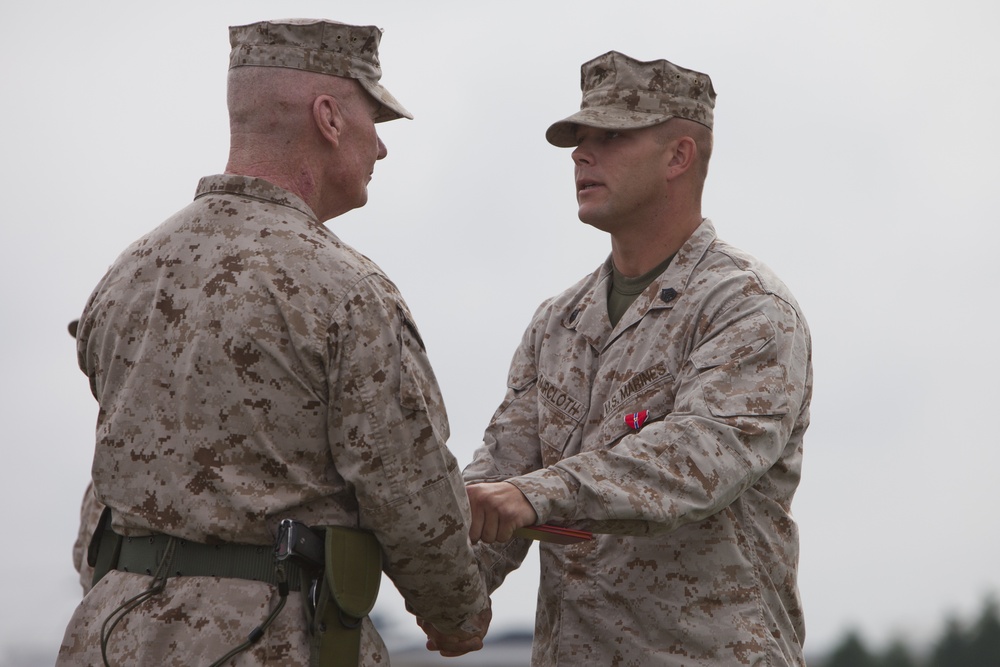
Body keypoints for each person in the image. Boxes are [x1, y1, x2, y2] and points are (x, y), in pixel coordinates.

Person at [58, 19, 490, 666]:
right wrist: (458, 612)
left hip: (109, 634)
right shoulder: (348, 292)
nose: (382, 148)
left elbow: (108, 485)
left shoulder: (126, 276)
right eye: (375, 118)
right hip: (264, 639)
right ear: (330, 118)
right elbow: (408, 486)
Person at [448, 51, 814, 665]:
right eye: (579, 139)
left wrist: (534, 495)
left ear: (678, 156)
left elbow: (699, 458)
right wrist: (452, 596)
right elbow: (500, 477)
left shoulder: (748, 306)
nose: (581, 155)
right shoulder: (558, 322)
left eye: (611, 136)